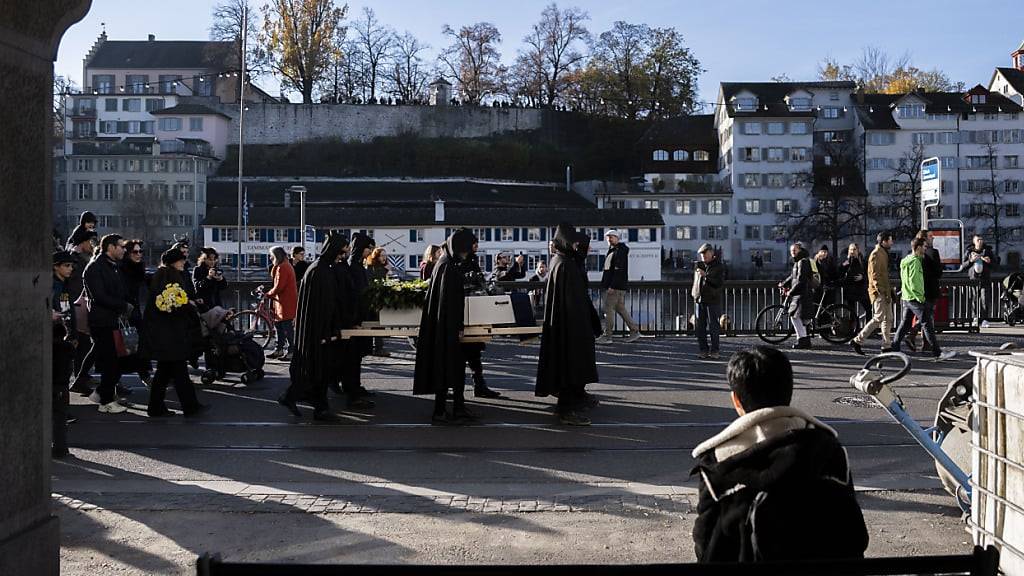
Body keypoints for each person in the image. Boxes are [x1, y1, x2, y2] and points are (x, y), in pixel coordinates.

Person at [691, 346, 868, 562]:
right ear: (789, 391)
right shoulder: (828, 449)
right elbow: (852, 534)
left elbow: (706, 544)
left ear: (736, 400)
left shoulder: (717, 463)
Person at [278, 233, 361, 420]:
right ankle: (312, 405)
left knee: (318, 369)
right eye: (343, 249)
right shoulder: (321, 271)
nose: (345, 253)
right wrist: (329, 331)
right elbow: (325, 305)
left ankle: (312, 404)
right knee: (318, 368)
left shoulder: (320, 268)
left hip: (318, 328)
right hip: (320, 330)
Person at [414, 229, 481, 424]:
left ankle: (456, 407)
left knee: (454, 366)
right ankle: (441, 411)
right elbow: (450, 302)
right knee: (446, 366)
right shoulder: (449, 267)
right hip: (446, 327)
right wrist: (457, 326)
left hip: (444, 325)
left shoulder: (446, 263)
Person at [536, 224, 599, 426]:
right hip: (571, 327)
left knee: (568, 366)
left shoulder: (558, 262)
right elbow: (575, 301)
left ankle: (570, 405)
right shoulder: (566, 265)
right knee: (569, 367)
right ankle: (566, 410)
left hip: (565, 324)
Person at [141, 249, 207, 417]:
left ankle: (157, 407)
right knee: (178, 372)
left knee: (165, 372)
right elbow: (175, 303)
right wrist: (189, 307)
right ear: (173, 261)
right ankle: (189, 406)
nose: (184, 262)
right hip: (171, 333)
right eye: (181, 260)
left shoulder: (162, 275)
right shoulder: (169, 276)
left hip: (165, 333)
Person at [82, 234, 131, 413]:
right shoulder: (95, 267)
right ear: (110, 247)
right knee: (110, 362)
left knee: (117, 361)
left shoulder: (112, 266)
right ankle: (106, 402)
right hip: (101, 321)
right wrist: (123, 305)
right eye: (121, 246)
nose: (124, 250)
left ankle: (103, 393)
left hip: (112, 319)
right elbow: (100, 296)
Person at [891, 238, 956, 362]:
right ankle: (937, 352)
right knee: (927, 324)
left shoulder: (905, 260)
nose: (925, 249)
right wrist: (920, 297)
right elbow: (915, 282)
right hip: (915, 298)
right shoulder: (915, 262)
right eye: (924, 247)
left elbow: (905, 280)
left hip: (906, 297)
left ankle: (895, 347)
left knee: (905, 323)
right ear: (919, 247)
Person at [851, 232, 895, 356]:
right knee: (878, 318)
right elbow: (875, 276)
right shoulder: (876, 254)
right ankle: (857, 340)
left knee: (888, 318)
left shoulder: (882, 253)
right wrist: (881, 291)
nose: (892, 243)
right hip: (879, 292)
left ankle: (886, 345)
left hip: (884, 291)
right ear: (884, 241)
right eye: (890, 240)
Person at [52, 251, 78, 458]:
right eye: (66, 265)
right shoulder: (52, 286)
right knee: (58, 393)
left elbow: (70, 312)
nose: (70, 269)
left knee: (61, 392)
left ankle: (61, 445)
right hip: (56, 341)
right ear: (56, 266)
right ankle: (59, 446)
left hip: (65, 340)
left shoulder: (66, 286)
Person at [66, 228, 98, 395]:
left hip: (82, 304)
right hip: (76, 305)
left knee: (85, 344)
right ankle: (79, 378)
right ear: (83, 242)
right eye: (90, 242)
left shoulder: (85, 257)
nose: (93, 245)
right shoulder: (75, 258)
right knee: (82, 344)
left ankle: (81, 377)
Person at [597, 229, 641, 344]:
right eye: (607, 237)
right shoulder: (617, 250)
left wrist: (612, 285)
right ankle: (634, 331)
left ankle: (607, 336)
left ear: (617, 238)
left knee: (608, 310)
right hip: (619, 286)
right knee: (621, 309)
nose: (609, 239)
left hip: (614, 287)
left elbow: (618, 270)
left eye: (611, 237)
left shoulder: (618, 251)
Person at [120, 239, 153, 387]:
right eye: (135, 251)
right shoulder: (122, 268)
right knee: (123, 347)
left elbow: (146, 281)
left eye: (141, 251)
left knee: (139, 344)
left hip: (135, 310)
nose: (139, 254)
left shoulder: (139, 268)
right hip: (124, 311)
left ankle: (145, 374)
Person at [906, 230, 943, 353]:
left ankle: (924, 342)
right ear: (925, 239)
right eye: (931, 236)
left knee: (924, 316)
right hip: (931, 289)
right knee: (927, 316)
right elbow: (938, 272)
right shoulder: (933, 252)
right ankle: (914, 336)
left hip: (919, 289)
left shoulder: (915, 256)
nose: (933, 238)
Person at [778, 243, 815, 350]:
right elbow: (792, 277)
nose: (793, 252)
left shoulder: (802, 262)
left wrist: (791, 292)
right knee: (801, 318)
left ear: (800, 250)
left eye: (795, 250)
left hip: (801, 294)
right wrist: (784, 284)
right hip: (800, 293)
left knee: (794, 316)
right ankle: (805, 340)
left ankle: (802, 339)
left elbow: (800, 280)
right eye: (791, 250)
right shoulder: (799, 262)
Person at [693, 243, 725, 359]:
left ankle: (715, 350)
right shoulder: (699, 266)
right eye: (702, 255)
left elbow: (718, 283)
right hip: (699, 299)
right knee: (700, 327)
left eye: (705, 254)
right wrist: (694, 294)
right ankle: (703, 350)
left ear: (711, 253)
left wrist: (705, 275)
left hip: (712, 300)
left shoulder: (718, 266)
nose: (703, 257)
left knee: (714, 326)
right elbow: (696, 282)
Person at [266, 246, 298, 361]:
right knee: (281, 326)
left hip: (284, 301)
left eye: (271, 256)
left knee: (285, 327)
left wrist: (268, 294)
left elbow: (280, 286)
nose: (270, 258)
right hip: (284, 300)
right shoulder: (285, 265)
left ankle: (290, 351)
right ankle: (279, 349)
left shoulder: (282, 267)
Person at [960, 234, 995, 328]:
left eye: (981, 240)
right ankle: (975, 318)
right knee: (974, 299)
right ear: (974, 242)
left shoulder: (988, 251)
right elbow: (962, 266)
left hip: (985, 278)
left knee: (985, 299)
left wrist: (989, 261)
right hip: (973, 279)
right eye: (978, 240)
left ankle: (984, 319)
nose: (980, 242)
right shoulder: (969, 251)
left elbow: (995, 264)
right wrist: (971, 261)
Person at [839, 243, 870, 321]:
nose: (852, 251)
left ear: (858, 250)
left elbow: (869, 274)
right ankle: (853, 329)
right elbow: (840, 272)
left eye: (854, 249)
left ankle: (868, 330)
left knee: (868, 309)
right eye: (850, 249)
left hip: (861, 289)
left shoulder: (862, 261)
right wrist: (845, 264)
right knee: (851, 311)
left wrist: (862, 277)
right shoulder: (845, 261)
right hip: (850, 289)